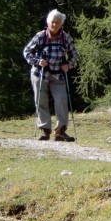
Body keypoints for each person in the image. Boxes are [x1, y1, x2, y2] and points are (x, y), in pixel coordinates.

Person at [23, 9, 79, 141]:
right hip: (40, 73)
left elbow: (74, 55)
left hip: (58, 75)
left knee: (61, 101)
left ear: (61, 24)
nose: (55, 25)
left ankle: (60, 131)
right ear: (48, 23)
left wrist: (68, 65)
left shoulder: (65, 38)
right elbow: (27, 52)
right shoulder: (40, 36)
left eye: (57, 22)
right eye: (52, 22)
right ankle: (45, 130)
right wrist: (38, 61)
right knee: (41, 101)